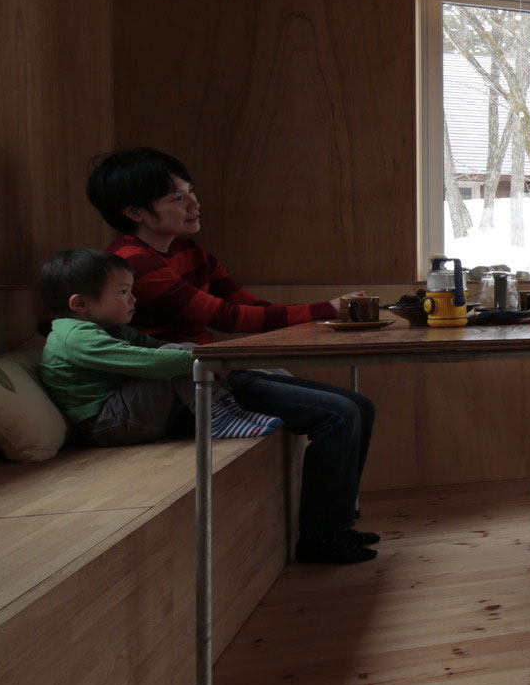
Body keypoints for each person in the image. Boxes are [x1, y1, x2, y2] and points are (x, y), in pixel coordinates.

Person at [86, 147, 379, 565]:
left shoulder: (192, 252)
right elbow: (225, 316)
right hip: (180, 386)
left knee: (359, 407)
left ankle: (337, 524)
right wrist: (327, 309)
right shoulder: (130, 262)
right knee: (338, 414)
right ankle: (320, 537)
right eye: (177, 199)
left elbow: (251, 306)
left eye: (191, 192)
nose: (194, 204)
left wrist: (330, 314)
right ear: (134, 211)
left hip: (213, 369)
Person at [35, 248, 279, 447]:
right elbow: (148, 362)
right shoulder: (74, 337)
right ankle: (217, 419)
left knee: (180, 349)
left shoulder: (108, 327)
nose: (133, 299)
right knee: (173, 357)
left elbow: (155, 346)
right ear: (80, 303)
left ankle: (226, 410)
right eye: (123, 292)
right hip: (107, 426)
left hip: (124, 415)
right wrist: (208, 359)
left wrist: (200, 354)